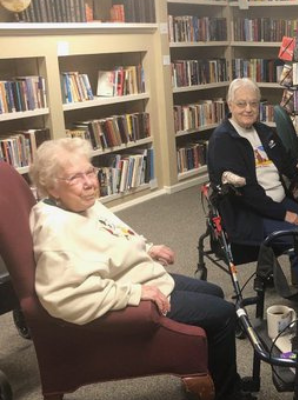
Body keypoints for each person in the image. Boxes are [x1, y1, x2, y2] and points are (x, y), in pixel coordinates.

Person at [29, 138, 254, 400]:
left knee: (214, 291)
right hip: (134, 293)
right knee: (224, 314)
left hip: (141, 275)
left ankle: (212, 376)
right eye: (74, 178)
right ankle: (228, 394)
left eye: (90, 171)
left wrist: (147, 248)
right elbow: (66, 297)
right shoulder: (56, 230)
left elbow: (115, 234)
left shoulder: (82, 203)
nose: (89, 183)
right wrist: (134, 293)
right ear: (52, 187)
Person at [207, 77, 298, 309]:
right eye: (241, 104)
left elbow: (289, 165)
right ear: (229, 105)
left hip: (278, 204)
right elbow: (246, 193)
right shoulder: (223, 140)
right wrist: (282, 214)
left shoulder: (264, 132)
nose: (248, 109)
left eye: (253, 103)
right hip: (249, 215)